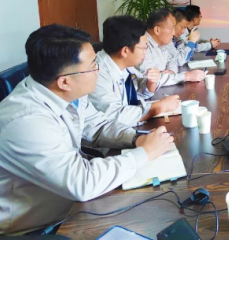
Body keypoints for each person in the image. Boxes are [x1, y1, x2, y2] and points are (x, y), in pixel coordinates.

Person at [0, 25, 174, 235]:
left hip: (72, 205)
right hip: (38, 229)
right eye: (93, 66)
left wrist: (137, 139)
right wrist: (144, 154)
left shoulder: (69, 91)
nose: (99, 70)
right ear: (64, 81)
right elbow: (82, 183)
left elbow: (99, 126)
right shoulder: (26, 121)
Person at [89, 15, 180, 126]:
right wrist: (159, 107)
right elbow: (115, 116)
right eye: (143, 48)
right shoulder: (96, 74)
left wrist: (150, 84)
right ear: (125, 51)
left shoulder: (124, 64)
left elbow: (137, 93)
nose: (146, 52)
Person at [139, 8, 205, 86]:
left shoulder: (161, 43)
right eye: (171, 28)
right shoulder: (141, 47)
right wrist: (185, 76)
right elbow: (151, 80)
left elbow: (172, 60)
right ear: (157, 30)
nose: (173, 33)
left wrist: (171, 71)